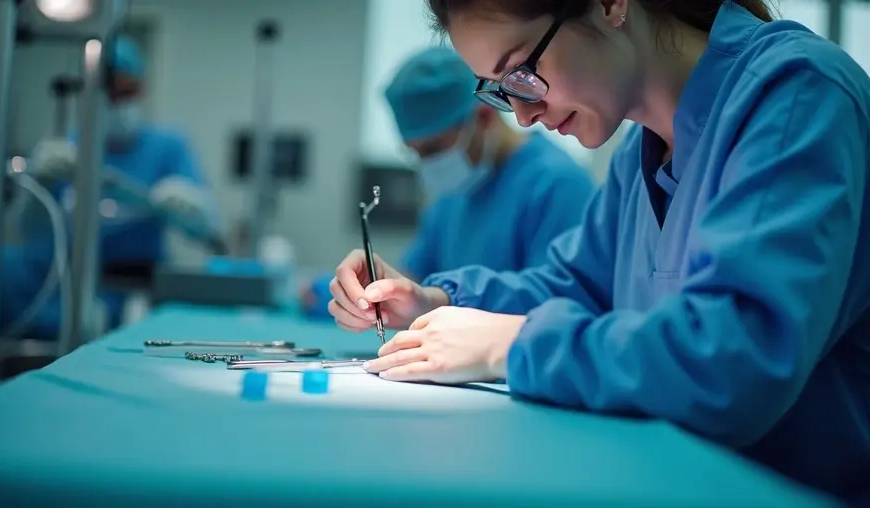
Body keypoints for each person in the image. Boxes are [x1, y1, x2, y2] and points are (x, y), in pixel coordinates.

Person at [327, 0, 870, 502]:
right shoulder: (643, 150)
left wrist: (512, 344)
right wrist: (432, 300)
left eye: (520, 73)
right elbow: (574, 283)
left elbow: (734, 359)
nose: (522, 115)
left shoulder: (797, 94)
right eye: (499, 89)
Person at [301, 46, 595, 319]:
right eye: (415, 153)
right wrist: (361, 293)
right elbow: (415, 283)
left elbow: (558, 305)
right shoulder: (455, 191)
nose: (428, 166)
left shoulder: (558, 184)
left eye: (433, 150)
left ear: (484, 115)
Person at [0, 36, 218, 338]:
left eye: (128, 92)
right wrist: (39, 183)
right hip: (60, 288)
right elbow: (31, 229)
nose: (119, 103)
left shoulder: (169, 147)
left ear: (142, 90)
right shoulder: (67, 149)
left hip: (135, 288)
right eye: (111, 92)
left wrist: (193, 210)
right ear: (90, 94)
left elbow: (206, 231)